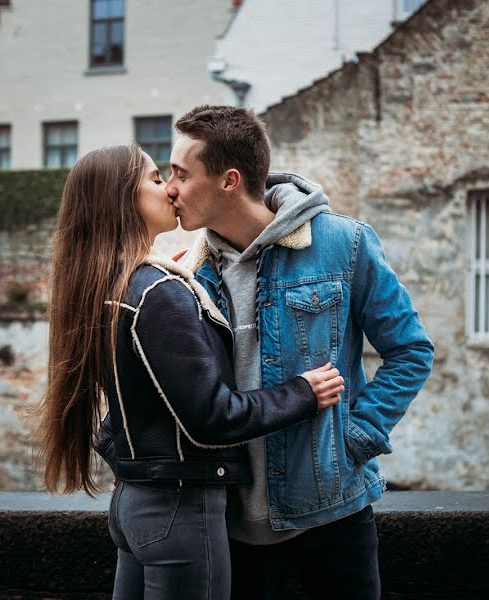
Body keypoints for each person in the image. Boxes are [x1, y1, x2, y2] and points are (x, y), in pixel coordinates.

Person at [38, 143, 347, 600]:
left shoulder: (111, 285)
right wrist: (303, 391)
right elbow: (213, 418)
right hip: (178, 510)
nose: (170, 189)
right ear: (123, 199)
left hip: (134, 503)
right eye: (155, 178)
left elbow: (128, 408)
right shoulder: (157, 292)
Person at [165, 105, 435, 599]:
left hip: (334, 514)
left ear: (229, 180)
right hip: (227, 523)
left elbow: (411, 351)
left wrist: (357, 436)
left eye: (181, 173)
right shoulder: (187, 271)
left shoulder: (342, 244)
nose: (170, 187)